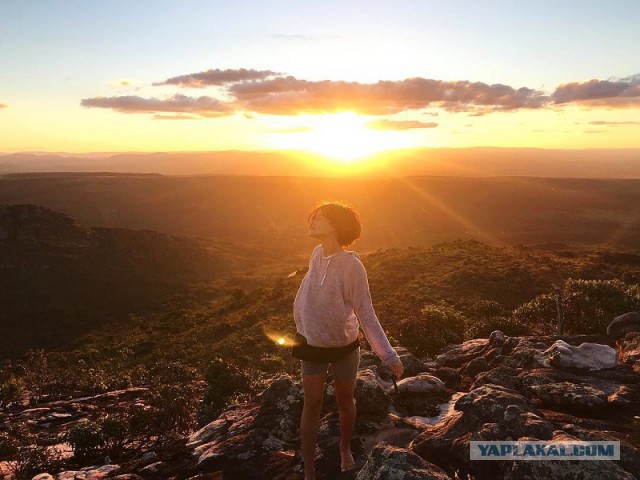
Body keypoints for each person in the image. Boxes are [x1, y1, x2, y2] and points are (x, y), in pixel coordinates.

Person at [293, 200, 404, 479]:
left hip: (344, 347)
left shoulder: (353, 267)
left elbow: (366, 312)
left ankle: (344, 449)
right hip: (311, 346)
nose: (313, 221)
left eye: (320, 217)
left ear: (336, 225)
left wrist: (388, 356)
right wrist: (302, 326)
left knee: (346, 402)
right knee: (312, 404)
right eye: (313, 216)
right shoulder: (316, 254)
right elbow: (306, 294)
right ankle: (309, 469)